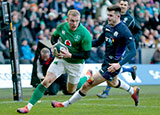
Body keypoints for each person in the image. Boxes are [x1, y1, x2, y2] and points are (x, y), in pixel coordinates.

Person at [51, 5, 139, 109]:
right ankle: (133, 91)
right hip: (106, 62)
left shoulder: (124, 31)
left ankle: (63, 105)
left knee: (87, 85)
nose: (108, 18)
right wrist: (80, 44)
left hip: (111, 66)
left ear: (118, 16)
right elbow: (97, 42)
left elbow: (133, 52)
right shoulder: (108, 27)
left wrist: (118, 65)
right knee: (113, 83)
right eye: (108, 15)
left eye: (111, 15)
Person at [17, 9, 92, 113]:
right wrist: (53, 46)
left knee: (71, 90)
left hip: (76, 64)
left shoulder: (85, 34)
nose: (74, 24)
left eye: (77, 21)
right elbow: (54, 37)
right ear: (67, 19)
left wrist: (70, 55)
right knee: (46, 81)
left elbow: (87, 55)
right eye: (72, 21)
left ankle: (86, 76)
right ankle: (28, 107)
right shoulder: (62, 27)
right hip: (61, 60)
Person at [97, 0, 140, 98]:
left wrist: (133, 39)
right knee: (113, 69)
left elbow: (138, 30)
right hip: (112, 45)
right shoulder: (113, 16)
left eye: (125, 5)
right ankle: (129, 70)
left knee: (112, 67)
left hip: (121, 47)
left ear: (128, 7)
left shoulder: (130, 19)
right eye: (121, 4)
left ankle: (106, 92)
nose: (123, 6)